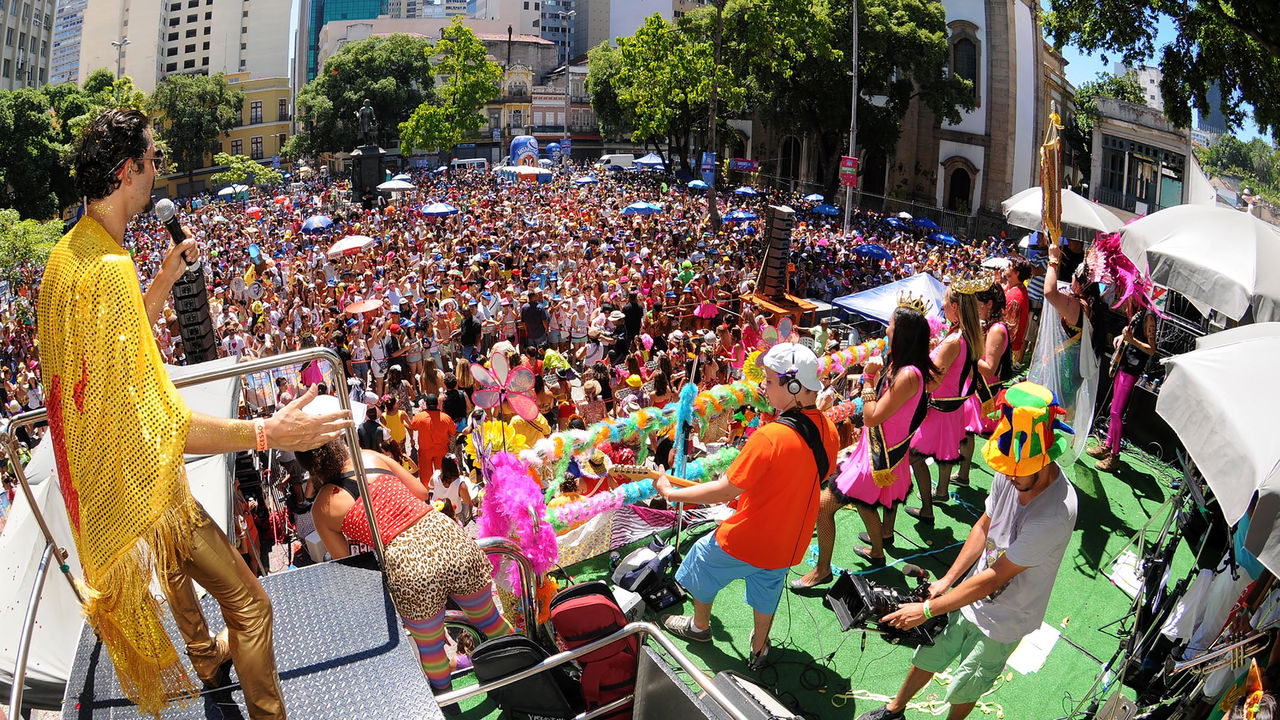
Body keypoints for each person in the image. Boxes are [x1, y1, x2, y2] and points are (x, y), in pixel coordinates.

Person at [37, 108, 350, 719]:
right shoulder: (107, 268)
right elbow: (162, 427)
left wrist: (163, 279)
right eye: (153, 160)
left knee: (177, 578)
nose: (158, 171)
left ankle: (206, 660)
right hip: (145, 488)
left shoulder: (67, 257)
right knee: (253, 607)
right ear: (129, 172)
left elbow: (117, 355)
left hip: (110, 487)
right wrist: (268, 430)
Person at [856, 382, 1078, 720]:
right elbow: (983, 526)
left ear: (1046, 458)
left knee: (968, 684)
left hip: (1006, 619)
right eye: (1008, 468)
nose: (1010, 476)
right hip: (966, 594)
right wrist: (947, 581)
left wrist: (928, 609)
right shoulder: (1009, 469)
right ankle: (894, 711)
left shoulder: (1057, 513)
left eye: (1021, 470)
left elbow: (995, 578)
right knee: (928, 654)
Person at [302, 397, 512, 704]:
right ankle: (532, 671)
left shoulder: (322, 507)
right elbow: (420, 492)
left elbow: (347, 559)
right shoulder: (370, 456)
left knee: (431, 648)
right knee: (491, 621)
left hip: (406, 563)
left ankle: (448, 705)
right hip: (444, 535)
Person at [657, 343, 839, 670]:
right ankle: (759, 647)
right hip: (789, 541)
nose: (763, 388)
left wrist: (671, 492)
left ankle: (699, 627)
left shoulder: (769, 437)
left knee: (700, 559)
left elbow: (723, 490)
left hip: (748, 537)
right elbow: (817, 474)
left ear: (793, 387)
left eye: (769, 382)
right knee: (767, 587)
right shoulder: (830, 429)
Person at [793, 299, 935, 582]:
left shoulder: (908, 374)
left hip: (879, 455)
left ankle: (822, 571)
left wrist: (869, 378)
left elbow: (871, 417)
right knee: (863, 502)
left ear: (903, 332)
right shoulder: (903, 365)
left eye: (892, 325)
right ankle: (878, 551)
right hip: (871, 450)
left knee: (824, 507)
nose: (887, 329)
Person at [906, 278, 987, 523]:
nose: (941, 303)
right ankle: (941, 492)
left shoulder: (953, 340)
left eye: (945, 300)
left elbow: (930, 383)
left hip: (939, 407)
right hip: (953, 405)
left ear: (955, 307)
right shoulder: (968, 335)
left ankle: (927, 508)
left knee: (913, 456)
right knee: (945, 453)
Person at [1088, 296, 1156, 471]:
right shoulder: (1138, 312)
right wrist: (1122, 336)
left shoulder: (1148, 316)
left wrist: (1131, 340)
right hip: (1123, 363)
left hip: (1131, 370)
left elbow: (1152, 349)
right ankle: (1107, 446)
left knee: (1116, 413)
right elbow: (1130, 333)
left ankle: (1115, 456)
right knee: (1113, 410)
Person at [410, 393, 456, 479]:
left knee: (425, 476)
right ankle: (442, 489)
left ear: (426, 404)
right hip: (441, 450)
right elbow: (453, 431)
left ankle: (427, 491)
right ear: (437, 404)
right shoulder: (446, 418)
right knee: (442, 474)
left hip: (425, 450)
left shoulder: (419, 416)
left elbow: (413, 427)